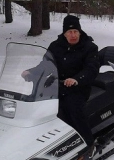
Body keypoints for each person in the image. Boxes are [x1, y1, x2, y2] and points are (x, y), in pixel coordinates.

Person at [22, 15, 99, 149]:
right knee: (40, 104)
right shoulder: (56, 46)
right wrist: (31, 72)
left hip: (79, 87)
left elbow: (91, 69)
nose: (73, 35)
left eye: (76, 31)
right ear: (64, 33)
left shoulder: (89, 47)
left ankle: (88, 144)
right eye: (70, 32)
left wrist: (76, 79)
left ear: (80, 32)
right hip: (57, 84)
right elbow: (46, 64)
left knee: (73, 108)